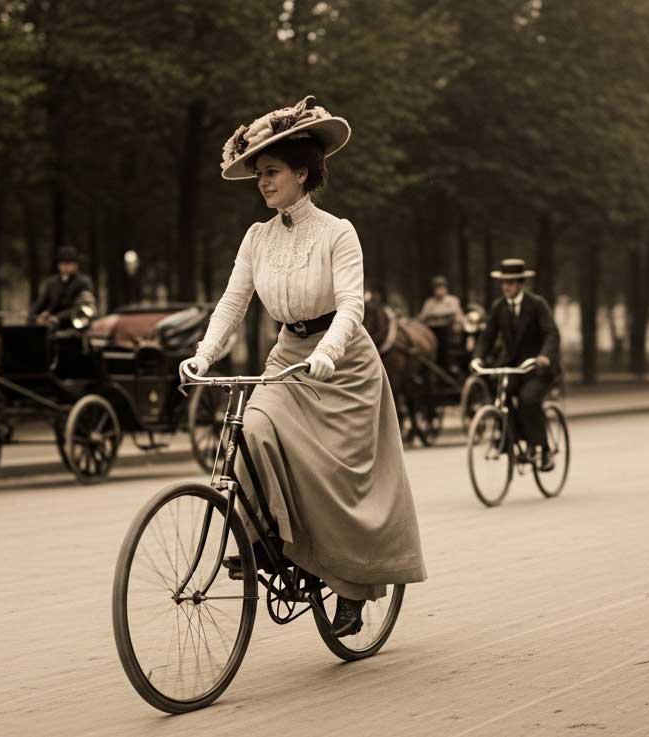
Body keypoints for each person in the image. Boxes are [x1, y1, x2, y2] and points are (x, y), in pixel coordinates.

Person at [181, 95, 425, 638]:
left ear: (302, 173)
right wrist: (202, 354)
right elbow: (232, 301)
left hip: (343, 366)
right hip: (287, 357)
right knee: (254, 429)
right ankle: (259, 540)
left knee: (336, 476)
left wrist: (327, 354)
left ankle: (351, 589)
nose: (263, 183)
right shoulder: (256, 237)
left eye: (271, 173)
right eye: (258, 175)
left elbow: (353, 307)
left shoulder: (339, 232)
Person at [471, 258, 561, 472]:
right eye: (503, 283)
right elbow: (487, 337)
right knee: (500, 394)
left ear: (521, 284)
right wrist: (478, 357)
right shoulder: (499, 307)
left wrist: (544, 357)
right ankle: (511, 439)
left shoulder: (537, 305)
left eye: (510, 283)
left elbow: (551, 334)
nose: (506, 287)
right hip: (512, 367)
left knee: (528, 399)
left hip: (537, 368)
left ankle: (542, 449)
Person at [30, 246, 96, 327]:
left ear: (76, 265)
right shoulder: (52, 282)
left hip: (74, 323)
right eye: (62, 263)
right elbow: (41, 302)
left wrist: (59, 317)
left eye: (68, 263)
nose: (65, 266)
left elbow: (82, 308)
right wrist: (35, 316)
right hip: (51, 322)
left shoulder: (83, 282)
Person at [417, 275, 464, 370]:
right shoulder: (429, 302)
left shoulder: (452, 300)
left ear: (445, 288)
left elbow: (456, 314)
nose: (439, 291)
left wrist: (434, 314)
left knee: (444, 348)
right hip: (431, 331)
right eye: (436, 288)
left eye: (441, 287)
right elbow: (422, 316)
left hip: (447, 332)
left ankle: (448, 366)